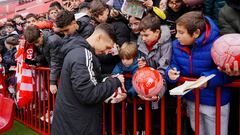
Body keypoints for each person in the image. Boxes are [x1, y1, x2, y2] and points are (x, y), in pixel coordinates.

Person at [51, 22, 127, 135]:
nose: (107, 52)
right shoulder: (83, 55)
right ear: (99, 37)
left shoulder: (80, 52)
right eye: (107, 47)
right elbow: (88, 94)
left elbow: (89, 80)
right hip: (76, 125)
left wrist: (108, 78)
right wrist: (115, 82)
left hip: (72, 122)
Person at [165, 11, 231, 135]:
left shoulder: (218, 44)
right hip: (192, 99)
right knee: (197, 131)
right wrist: (170, 73)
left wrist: (208, 80)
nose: (177, 36)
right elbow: (174, 64)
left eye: (181, 32)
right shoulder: (176, 45)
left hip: (214, 101)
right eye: (177, 31)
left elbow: (226, 72)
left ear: (196, 33)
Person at [137, 13, 172, 135]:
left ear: (157, 32)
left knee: (164, 124)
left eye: (146, 35)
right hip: (149, 88)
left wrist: (157, 93)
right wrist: (142, 66)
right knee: (150, 123)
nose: (143, 38)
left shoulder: (166, 45)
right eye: (141, 35)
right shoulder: (141, 44)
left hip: (164, 90)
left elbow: (163, 70)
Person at [23, 25, 63, 94]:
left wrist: (52, 82)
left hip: (62, 71)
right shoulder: (42, 40)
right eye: (34, 43)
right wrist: (36, 62)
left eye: (37, 41)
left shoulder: (52, 41)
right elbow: (44, 56)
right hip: (55, 72)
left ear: (41, 34)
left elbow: (55, 62)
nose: (37, 44)